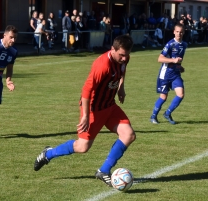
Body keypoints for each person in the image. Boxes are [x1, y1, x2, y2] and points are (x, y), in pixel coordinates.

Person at [33, 35, 136, 187]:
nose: (124, 58)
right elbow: (86, 91)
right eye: (121, 55)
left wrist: (121, 87)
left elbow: (122, 70)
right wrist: (86, 116)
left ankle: (104, 170)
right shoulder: (102, 65)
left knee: (129, 135)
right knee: (82, 147)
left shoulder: (124, 59)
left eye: (126, 55)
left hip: (109, 106)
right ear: (112, 49)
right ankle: (48, 154)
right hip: (93, 109)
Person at [150, 24, 187, 125]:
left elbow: (178, 59)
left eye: (181, 32)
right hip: (165, 74)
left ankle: (167, 113)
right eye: (177, 31)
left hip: (175, 74)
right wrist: (173, 61)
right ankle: (153, 116)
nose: (179, 33)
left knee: (181, 94)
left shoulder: (184, 45)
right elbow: (160, 59)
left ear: (184, 32)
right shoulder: (170, 44)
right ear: (174, 32)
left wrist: (179, 66)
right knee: (163, 97)